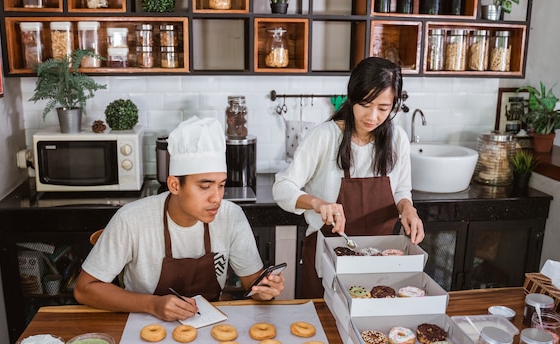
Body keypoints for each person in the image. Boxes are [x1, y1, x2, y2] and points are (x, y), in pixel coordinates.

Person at [74, 117, 284, 321]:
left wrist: (266, 290)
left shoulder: (231, 216)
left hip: (209, 326)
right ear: (175, 185)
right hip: (144, 325)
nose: (217, 198)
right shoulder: (131, 220)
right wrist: (152, 305)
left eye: (221, 185)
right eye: (205, 186)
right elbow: (84, 290)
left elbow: (253, 285)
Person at [272, 57, 424, 298]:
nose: (372, 116)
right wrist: (317, 203)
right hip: (327, 258)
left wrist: (408, 208)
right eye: (365, 104)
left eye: (383, 108)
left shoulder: (398, 139)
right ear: (351, 97)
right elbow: (282, 188)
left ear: (394, 105)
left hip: (380, 260)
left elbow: (401, 188)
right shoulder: (324, 137)